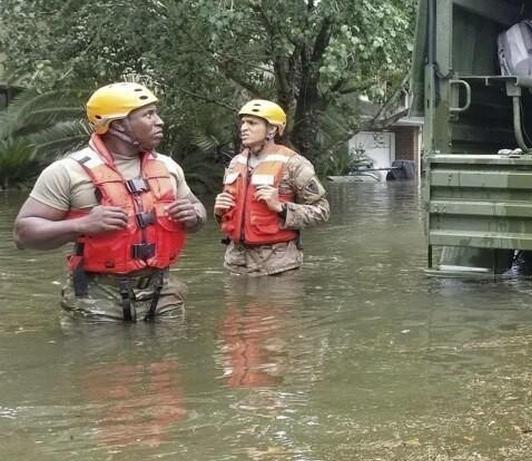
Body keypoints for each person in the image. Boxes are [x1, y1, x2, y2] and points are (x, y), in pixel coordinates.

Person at [12, 82, 206, 321]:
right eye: (148, 115)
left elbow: (198, 213)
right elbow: (23, 235)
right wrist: (81, 225)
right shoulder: (68, 172)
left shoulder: (168, 167)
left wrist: (194, 215)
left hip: (163, 292)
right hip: (97, 295)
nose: (159, 121)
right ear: (117, 126)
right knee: (101, 358)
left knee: (167, 357)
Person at [214, 99, 329, 276]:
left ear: (272, 129)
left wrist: (281, 208)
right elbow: (228, 217)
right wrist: (219, 211)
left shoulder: (294, 164)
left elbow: (322, 212)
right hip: (236, 263)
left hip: (278, 266)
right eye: (243, 122)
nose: (244, 128)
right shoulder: (235, 163)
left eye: (252, 123)